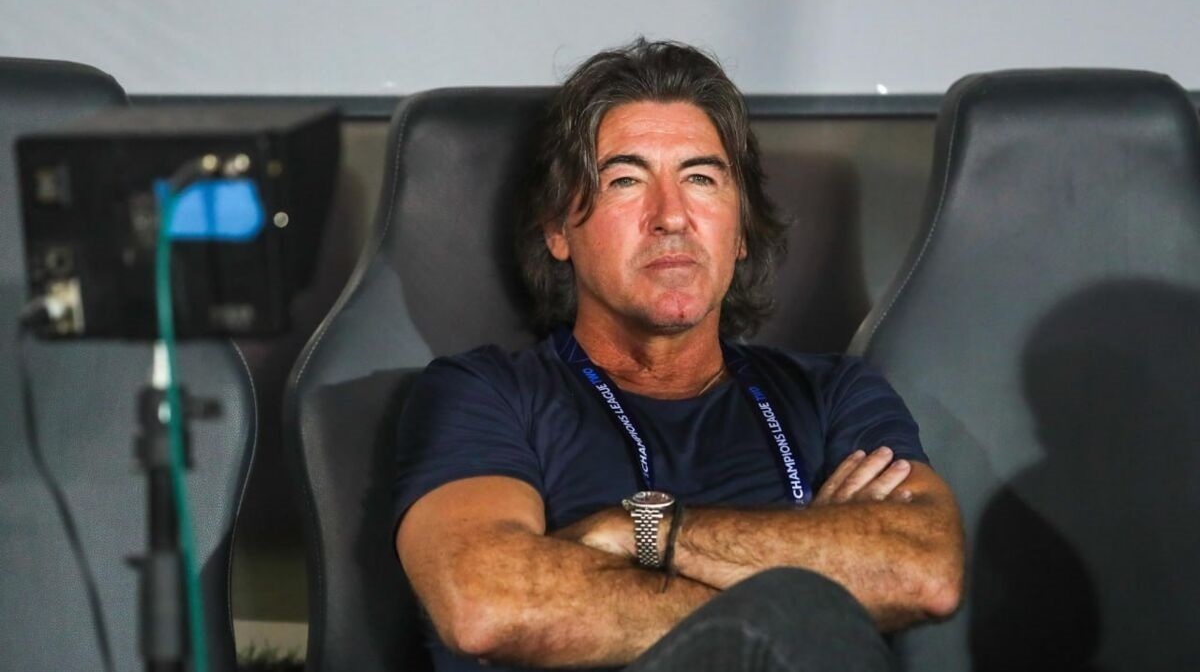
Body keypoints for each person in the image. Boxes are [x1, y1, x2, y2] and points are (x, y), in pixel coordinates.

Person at [393, 38, 964, 672]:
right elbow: (488, 604)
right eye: (626, 180)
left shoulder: (835, 396)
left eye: (700, 178)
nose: (671, 216)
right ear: (558, 229)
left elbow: (924, 570)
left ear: (741, 229)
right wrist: (819, 568)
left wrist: (646, 531)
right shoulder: (485, 394)